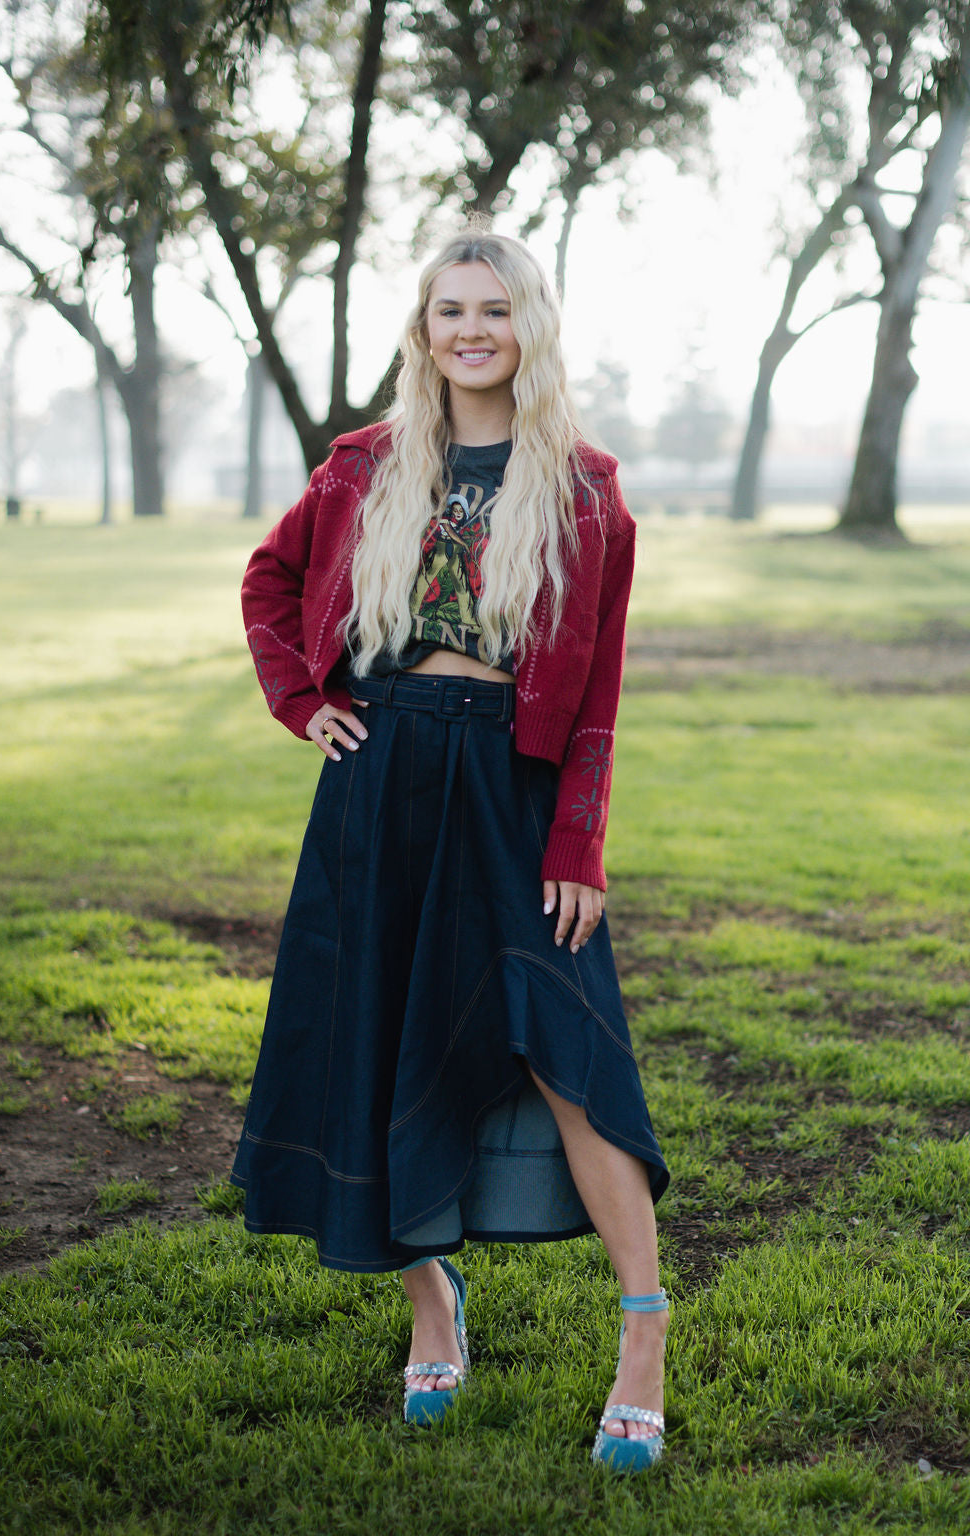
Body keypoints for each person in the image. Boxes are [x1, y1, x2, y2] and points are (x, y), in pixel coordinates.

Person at [230, 229, 670, 1473]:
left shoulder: (584, 488)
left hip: (510, 787)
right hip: (380, 777)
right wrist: (299, 699)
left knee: (568, 1052)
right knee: (378, 1035)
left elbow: (596, 696)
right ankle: (434, 1307)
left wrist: (578, 840)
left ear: (529, 325)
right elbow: (268, 586)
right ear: (422, 330)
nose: (470, 329)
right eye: (448, 310)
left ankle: (642, 1331)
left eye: (494, 309)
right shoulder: (364, 465)